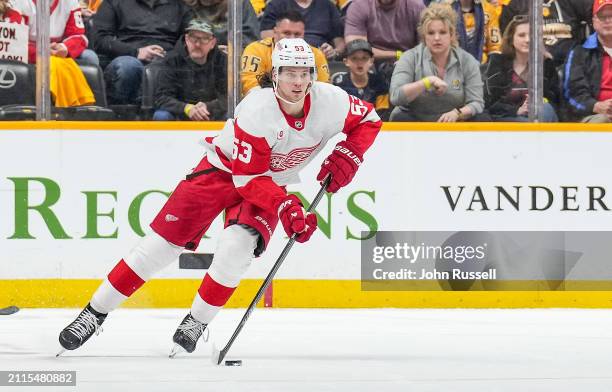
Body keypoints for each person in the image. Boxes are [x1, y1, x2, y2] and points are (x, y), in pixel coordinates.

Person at [57, 38, 382, 356]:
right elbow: (248, 179)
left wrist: (350, 154)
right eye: (289, 73)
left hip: (266, 183)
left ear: (313, 74)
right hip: (223, 172)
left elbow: (369, 119)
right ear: (275, 74)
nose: (298, 82)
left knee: (236, 250)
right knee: (159, 247)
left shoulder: (331, 100)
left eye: (304, 73)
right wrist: (284, 205)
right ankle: (93, 313)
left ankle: (196, 321)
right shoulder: (257, 109)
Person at [389, 3, 486, 122]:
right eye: (431, 33)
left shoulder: (468, 61)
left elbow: (477, 103)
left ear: (451, 35)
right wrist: (426, 82)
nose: (436, 38)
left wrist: (458, 113)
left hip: (454, 121)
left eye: (442, 32)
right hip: (415, 120)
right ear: (424, 36)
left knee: (482, 117)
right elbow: (395, 96)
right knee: (400, 117)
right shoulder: (409, 57)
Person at [92, 0, 192, 104]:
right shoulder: (114, 2)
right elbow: (100, 39)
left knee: (178, 68)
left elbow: (191, 38)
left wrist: (170, 56)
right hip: (127, 57)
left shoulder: (179, 6)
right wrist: (136, 52)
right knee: (128, 66)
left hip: (167, 59)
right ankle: (121, 114)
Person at [484, 15, 559, 122]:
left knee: (545, 108)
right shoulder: (498, 63)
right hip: (509, 119)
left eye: (532, 35)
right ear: (511, 39)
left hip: (541, 118)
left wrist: (539, 102)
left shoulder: (546, 64)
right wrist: (517, 110)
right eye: (521, 35)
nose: (527, 40)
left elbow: (556, 102)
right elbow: (490, 103)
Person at [240, 9, 329, 96]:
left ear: (304, 34)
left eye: (297, 34)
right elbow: (250, 87)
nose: (292, 38)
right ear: (275, 32)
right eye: (286, 33)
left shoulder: (315, 55)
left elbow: (324, 90)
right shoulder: (256, 50)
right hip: (263, 105)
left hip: (305, 106)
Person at [153, 19, 227, 121]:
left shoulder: (223, 61)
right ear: (186, 39)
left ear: (213, 43)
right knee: (161, 116)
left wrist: (208, 106)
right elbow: (161, 98)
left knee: (232, 116)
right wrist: (187, 108)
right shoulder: (171, 60)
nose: (197, 44)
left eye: (204, 39)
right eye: (193, 38)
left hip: (212, 114)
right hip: (180, 114)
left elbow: (229, 97)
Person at [345, 0, 425, 83]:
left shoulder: (415, 6)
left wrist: (408, 59)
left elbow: (426, 45)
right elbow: (355, 47)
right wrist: (398, 54)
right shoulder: (359, 6)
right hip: (371, 64)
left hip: (410, 63)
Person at [499, 0, 593, 66]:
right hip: (529, 66)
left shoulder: (576, 2)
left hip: (570, 64)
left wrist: (585, 53)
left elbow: (597, 20)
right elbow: (508, 38)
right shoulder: (515, 5)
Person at [564, 0, 612, 123]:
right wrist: (595, 106)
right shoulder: (579, 52)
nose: (607, 21)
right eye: (602, 16)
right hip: (595, 115)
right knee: (602, 121)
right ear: (594, 21)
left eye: (611, 15)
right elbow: (572, 95)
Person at [15, 0, 99, 66]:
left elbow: (80, 36)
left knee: (90, 57)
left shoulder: (70, 2)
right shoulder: (17, 2)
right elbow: (14, 43)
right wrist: (40, 51)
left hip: (58, 53)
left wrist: (65, 48)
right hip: (28, 53)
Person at [260, 0, 345, 59]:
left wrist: (333, 52)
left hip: (320, 59)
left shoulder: (328, 6)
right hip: (283, 57)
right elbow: (267, 38)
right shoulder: (276, 4)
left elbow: (340, 42)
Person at [333, 39, 390, 120]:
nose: (360, 63)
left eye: (364, 58)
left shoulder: (379, 83)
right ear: (346, 62)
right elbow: (338, 114)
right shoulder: (339, 86)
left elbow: (383, 113)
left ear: (371, 61)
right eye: (354, 58)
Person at [431, 0, 502, 63]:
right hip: (450, 64)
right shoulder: (443, 9)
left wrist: (490, 68)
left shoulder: (488, 10)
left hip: (482, 67)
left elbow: (495, 46)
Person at [184, 0, 260, 51]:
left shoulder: (238, 3)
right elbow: (174, 40)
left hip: (230, 62)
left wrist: (234, 51)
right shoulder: (183, 5)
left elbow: (252, 42)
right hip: (192, 63)